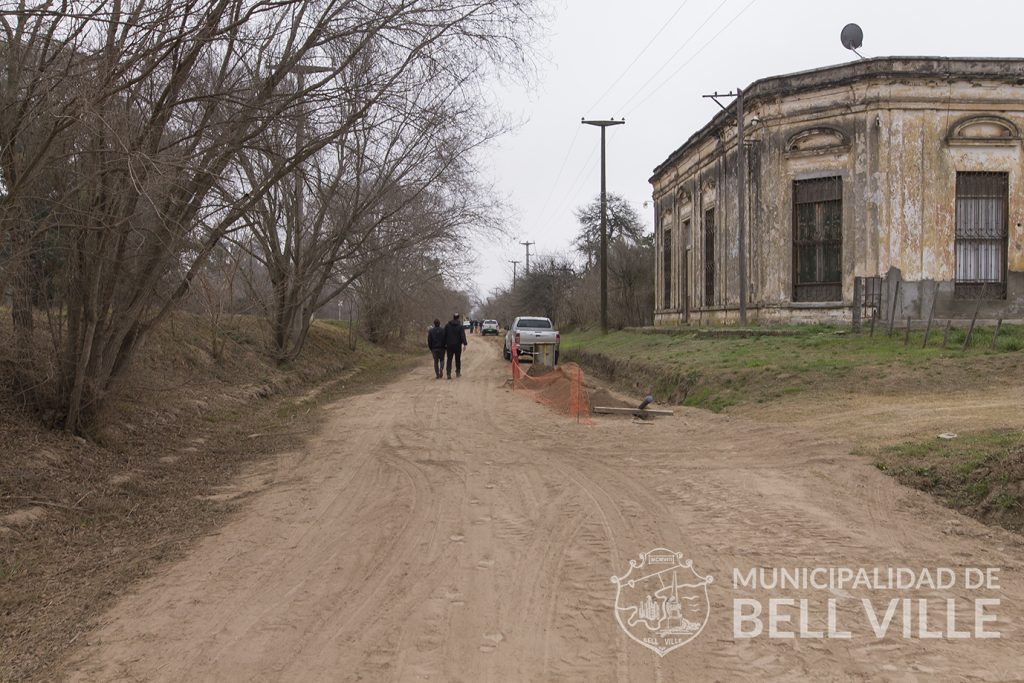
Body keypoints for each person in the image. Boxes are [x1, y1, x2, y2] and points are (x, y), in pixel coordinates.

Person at [443, 313, 468, 378]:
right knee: (457, 359)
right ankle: (458, 372)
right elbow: (462, 336)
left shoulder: (447, 326)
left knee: (449, 359)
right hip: (457, 345)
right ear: (458, 318)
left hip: (449, 345)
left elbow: (444, 335)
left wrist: (444, 344)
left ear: (453, 317)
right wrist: (465, 344)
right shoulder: (460, 326)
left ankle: (448, 373)